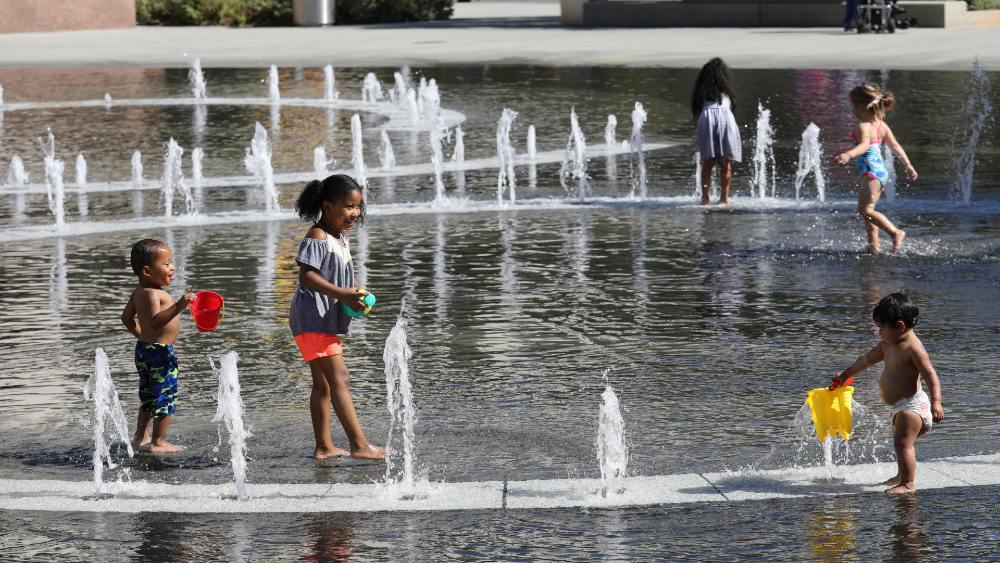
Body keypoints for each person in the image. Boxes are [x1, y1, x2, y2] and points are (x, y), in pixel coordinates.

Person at [290, 174, 386, 460]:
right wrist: (342, 295)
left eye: (357, 206)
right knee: (340, 377)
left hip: (315, 320)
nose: (354, 213)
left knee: (323, 384)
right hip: (313, 318)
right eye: (348, 206)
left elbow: (342, 273)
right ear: (327, 206)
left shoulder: (338, 237)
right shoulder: (318, 235)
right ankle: (359, 445)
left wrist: (356, 290)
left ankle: (324, 447)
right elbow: (306, 276)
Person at [831, 293, 943, 494]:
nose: (879, 333)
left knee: (902, 443)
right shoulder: (887, 344)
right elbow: (866, 360)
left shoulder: (914, 349)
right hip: (898, 406)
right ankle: (902, 475)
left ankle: (908, 484)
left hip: (912, 405)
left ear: (899, 326)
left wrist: (936, 402)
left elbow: (930, 375)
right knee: (900, 444)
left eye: (882, 328)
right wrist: (846, 374)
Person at [121, 239, 197, 453]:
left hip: (145, 350)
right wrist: (180, 305)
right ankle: (158, 442)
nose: (172, 268)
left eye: (171, 263)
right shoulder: (154, 293)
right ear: (147, 271)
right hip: (160, 353)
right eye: (166, 264)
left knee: (148, 394)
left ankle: (140, 436)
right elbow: (155, 320)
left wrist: (143, 337)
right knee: (165, 393)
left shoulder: (139, 291)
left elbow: (126, 318)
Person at [833, 82, 917, 253]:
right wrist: (907, 165)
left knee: (864, 210)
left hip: (872, 174)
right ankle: (873, 246)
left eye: (852, 106)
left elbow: (864, 146)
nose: (852, 110)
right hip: (880, 174)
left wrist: (848, 155)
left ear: (859, 106)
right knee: (869, 212)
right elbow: (895, 146)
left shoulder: (863, 126)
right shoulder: (881, 125)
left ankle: (895, 232)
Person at [692, 57, 742, 205]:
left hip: (706, 117)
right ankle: (724, 199)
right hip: (726, 118)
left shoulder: (701, 93)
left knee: (707, 162)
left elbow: (697, 114)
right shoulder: (727, 94)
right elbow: (732, 113)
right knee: (725, 161)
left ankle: (705, 198)